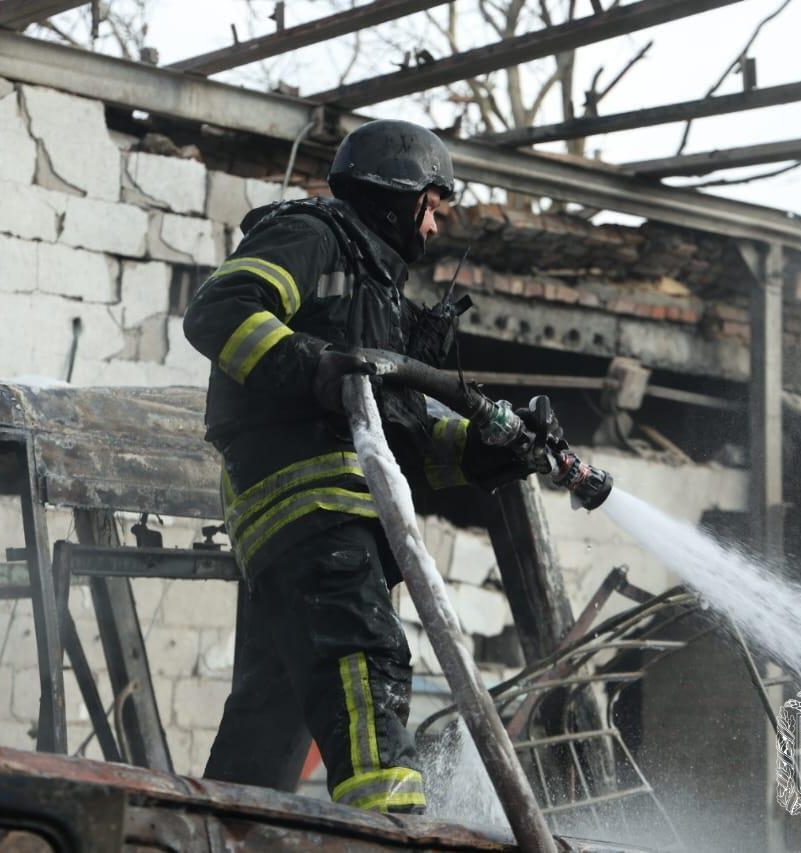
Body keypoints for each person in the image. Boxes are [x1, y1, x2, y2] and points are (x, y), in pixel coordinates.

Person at [182, 120, 552, 814]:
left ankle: (225, 829)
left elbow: (401, 443)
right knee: (366, 658)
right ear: (398, 192)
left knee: (275, 716)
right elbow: (219, 310)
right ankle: (392, 826)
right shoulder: (314, 235)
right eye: (433, 207)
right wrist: (313, 367)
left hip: (318, 527)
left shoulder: (378, 302)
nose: (436, 227)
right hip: (310, 510)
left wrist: (486, 449)